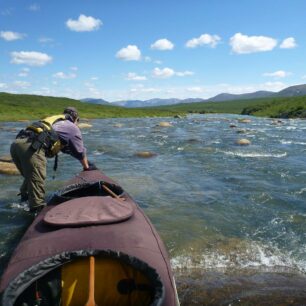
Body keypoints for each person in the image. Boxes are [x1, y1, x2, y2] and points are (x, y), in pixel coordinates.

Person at [10, 107, 97, 212]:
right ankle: (36, 211)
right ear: (75, 119)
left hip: (16, 144)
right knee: (37, 180)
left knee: (31, 177)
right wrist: (87, 167)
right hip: (31, 147)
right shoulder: (72, 128)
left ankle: (24, 200)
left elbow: (65, 148)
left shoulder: (55, 121)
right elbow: (80, 152)